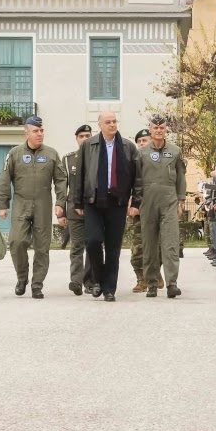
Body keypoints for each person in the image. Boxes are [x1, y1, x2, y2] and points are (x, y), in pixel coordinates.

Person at [0, 116, 68, 299]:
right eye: (36, 131)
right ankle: (22, 278)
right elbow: (5, 179)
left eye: (42, 130)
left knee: (42, 246)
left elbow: (61, 180)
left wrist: (60, 203)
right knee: (17, 241)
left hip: (43, 203)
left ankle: (37, 285)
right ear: (26, 133)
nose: (40, 134)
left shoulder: (52, 154)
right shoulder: (15, 153)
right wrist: (3, 204)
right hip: (21, 202)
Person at [72, 110, 140, 302]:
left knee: (113, 248)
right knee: (93, 241)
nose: (112, 125)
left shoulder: (127, 147)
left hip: (117, 202)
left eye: (114, 121)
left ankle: (109, 288)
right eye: (108, 122)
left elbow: (137, 178)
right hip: (93, 200)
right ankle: (97, 279)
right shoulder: (88, 145)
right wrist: (77, 201)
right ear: (100, 125)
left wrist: (135, 202)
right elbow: (81, 175)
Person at [136, 114, 186, 298]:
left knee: (170, 242)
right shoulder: (141, 152)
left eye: (162, 127)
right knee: (149, 243)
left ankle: (172, 283)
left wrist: (181, 200)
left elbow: (181, 177)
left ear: (166, 129)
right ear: (150, 129)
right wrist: (133, 201)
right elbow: (136, 179)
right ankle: (151, 282)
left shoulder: (175, 151)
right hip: (147, 200)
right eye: (155, 128)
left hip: (169, 200)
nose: (158, 130)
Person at [63, 125, 95, 296]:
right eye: (81, 136)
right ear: (76, 138)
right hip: (74, 209)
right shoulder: (68, 160)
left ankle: (89, 282)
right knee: (76, 246)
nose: (84, 139)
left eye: (87, 136)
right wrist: (60, 209)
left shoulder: (97, 157)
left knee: (92, 246)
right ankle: (76, 280)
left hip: (93, 209)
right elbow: (63, 186)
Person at [130, 128, 163, 292]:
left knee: (158, 245)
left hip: (157, 208)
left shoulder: (159, 161)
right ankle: (141, 278)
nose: (142, 144)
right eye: (139, 141)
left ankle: (155, 274)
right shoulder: (133, 160)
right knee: (137, 247)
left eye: (145, 140)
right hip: (139, 210)